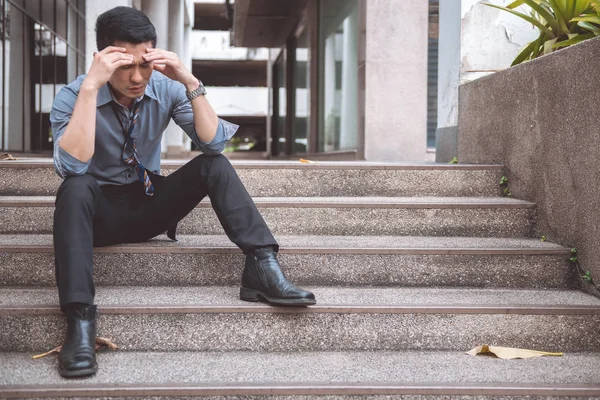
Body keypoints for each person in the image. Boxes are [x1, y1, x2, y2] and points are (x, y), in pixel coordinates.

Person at [50, 6, 316, 379]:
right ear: (103, 60)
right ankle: (79, 321)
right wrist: (92, 88)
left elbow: (212, 144)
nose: (138, 76)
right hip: (97, 215)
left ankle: (262, 267)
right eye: (125, 66)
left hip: (148, 206)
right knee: (75, 187)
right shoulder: (74, 95)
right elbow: (73, 167)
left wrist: (190, 82)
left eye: (145, 63)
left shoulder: (165, 88)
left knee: (214, 165)